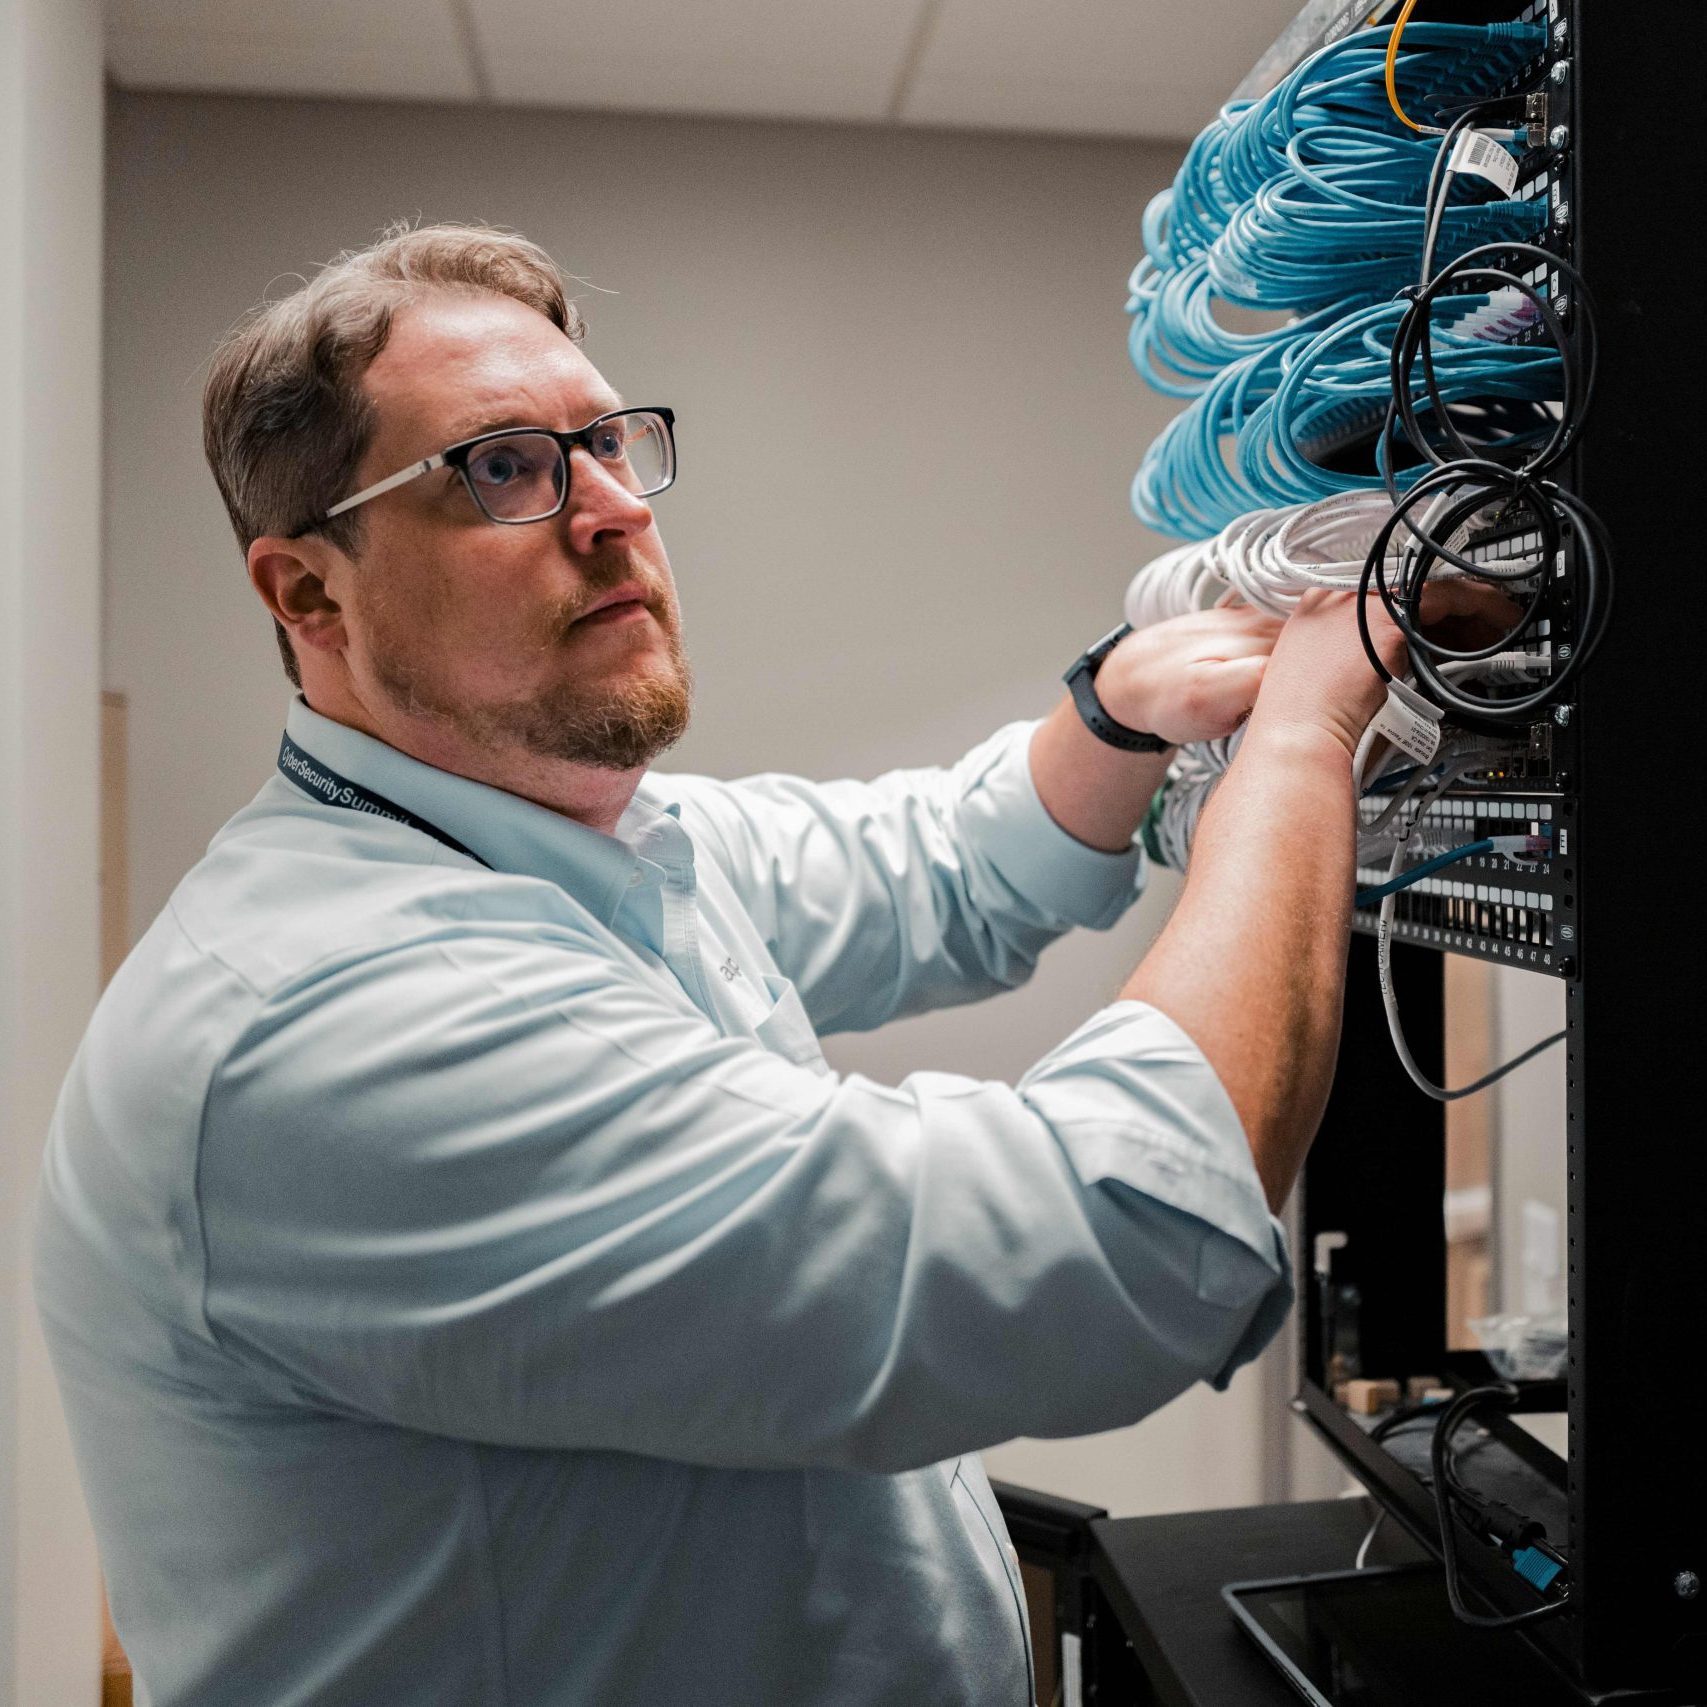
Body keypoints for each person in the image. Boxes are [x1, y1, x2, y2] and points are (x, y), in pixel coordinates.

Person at [35, 224, 1411, 1707]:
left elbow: (933, 866)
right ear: (309, 594)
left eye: (610, 442)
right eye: (504, 465)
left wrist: (1118, 712)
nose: (614, 507)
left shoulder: (575, 840)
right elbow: (1104, 1241)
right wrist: (1307, 739)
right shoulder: (333, 1019)